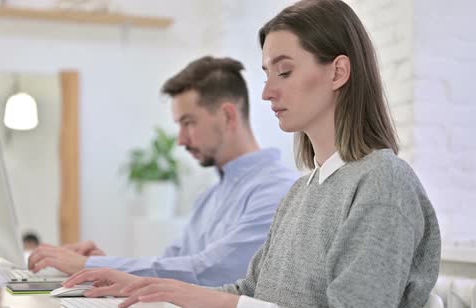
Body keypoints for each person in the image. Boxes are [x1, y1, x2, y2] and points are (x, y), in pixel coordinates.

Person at [61, 1, 442, 308]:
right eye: (266, 74)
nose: (266, 91)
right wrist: (156, 290)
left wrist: (214, 302)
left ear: (338, 72)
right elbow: (249, 292)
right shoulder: (301, 191)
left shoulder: (383, 183)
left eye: (285, 71)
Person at [28, 56, 298, 286]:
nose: (181, 140)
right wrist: (105, 269)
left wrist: (91, 265)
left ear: (227, 116)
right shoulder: (210, 197)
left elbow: (210, 272)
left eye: (188, 123)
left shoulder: (277, 191)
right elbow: (171, 265)